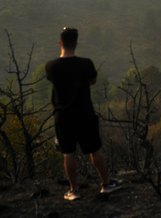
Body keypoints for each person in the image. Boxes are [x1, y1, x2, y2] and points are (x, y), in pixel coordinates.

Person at [46, 27, 121, 201]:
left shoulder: (51, 66)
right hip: (84, 113)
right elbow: (92, 81)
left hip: (63, 115)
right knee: (94, 149)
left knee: (68, 152)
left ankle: (74, 190)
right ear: (76, 43)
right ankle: (106, 184)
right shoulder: (86, 64)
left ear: (60, 43)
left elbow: (53, 80)